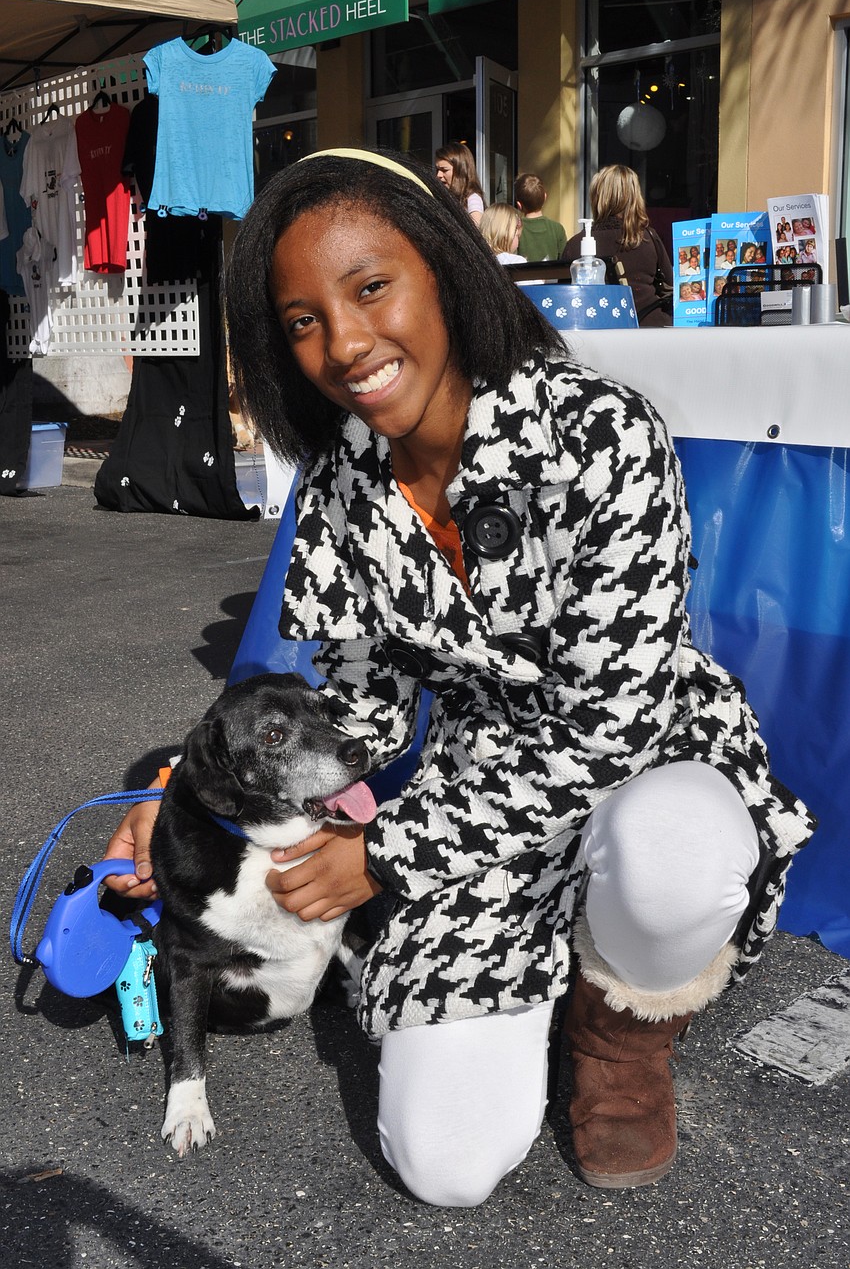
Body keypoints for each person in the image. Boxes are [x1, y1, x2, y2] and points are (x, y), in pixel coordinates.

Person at [105, 147, 815, 1208]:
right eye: (301, 320)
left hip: (647, 753)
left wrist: (384, 851)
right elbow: (355, 713)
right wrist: (190, 796)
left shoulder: (601, 433)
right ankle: (533, 968)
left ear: (443, 268)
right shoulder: (342, 488)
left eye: (369, 287)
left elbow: (603, 728)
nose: (342, 343)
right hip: (476, 787)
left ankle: (619, 1029)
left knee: (670, 852)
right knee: (446, 1166)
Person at [561, 164, 674, 326]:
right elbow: (669, 283)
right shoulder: (648, 237)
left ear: (597, 197)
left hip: (597, 327)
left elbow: (565, 294)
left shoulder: (576, 243)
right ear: (635, 198)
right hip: (649, 325)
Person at [513, 173, 567, 262]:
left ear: (519, 205)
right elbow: (564, 261)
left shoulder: (515, 228)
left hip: (523, 276)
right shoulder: (557, 229)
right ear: (545, 197)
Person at [434, 142, 485, 225]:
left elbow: (476, 229)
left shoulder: (472, 199)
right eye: (437, 170)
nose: (438, 175)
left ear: (460, 171)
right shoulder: (440, 197)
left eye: (444, 170)